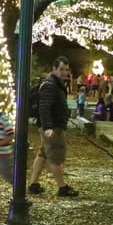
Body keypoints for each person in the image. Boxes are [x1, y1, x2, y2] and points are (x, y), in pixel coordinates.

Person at [29, 56, 78, 198]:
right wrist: (48, 127)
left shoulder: (55, 84)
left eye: (66, 70)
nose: (64, 72)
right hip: (53, 127)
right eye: (61, 69)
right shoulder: (51, 85)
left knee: (43, 154)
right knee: (56, 155)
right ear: (54, 69)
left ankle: (33, 184)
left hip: (52, 126)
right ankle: (63, 187)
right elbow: (44, 107)